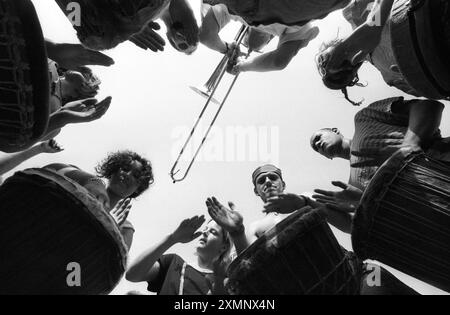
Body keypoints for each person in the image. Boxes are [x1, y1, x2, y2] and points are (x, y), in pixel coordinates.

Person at [207, 164, 418, 295]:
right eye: (261, 180)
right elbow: (250, 269)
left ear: (283, 183)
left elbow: (351, 227)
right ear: (256, 191)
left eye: (273, 177)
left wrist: (304, 202)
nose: (268, 181)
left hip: (360, 274)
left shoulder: (306, 199)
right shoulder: (253, 228)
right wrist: (236, 232)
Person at [310, 97, 446, 192]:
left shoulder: (364, 118)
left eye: (318, 137)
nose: (318, 144)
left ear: (335, 131)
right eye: (316, 148)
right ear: (328, 157)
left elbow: (427, 106)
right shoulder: (353, 186)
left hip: (442, 157)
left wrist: (408, 147)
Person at [45, 150, 154, 250]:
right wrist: (93, 181)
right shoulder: (82, 186)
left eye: (136, 175)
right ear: (113, 170)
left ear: (138, 188)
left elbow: (111, 267)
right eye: (125, 168)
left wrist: (109, 229)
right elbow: (50, 169)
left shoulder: (125, 229)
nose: (127, 175)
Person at [126, 216, 233, 295]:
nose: (205, 232)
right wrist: (172, 238)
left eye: (213, 231)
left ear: (224, 246)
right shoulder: (173, 263)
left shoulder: (227, 283)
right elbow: (132, 274)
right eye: (205, 229)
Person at [200, 3, 320, 73]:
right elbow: (279, 62)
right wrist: (242, 66)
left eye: (246, 44)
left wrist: (226, 50)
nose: (250, 47)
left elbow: (206, 37)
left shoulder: (234, 9)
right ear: (271, 38)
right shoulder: (295, 27)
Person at [54, 0, 198, 53]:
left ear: (170, 38)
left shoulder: (146, 16)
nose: (187, 40)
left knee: (97, 36)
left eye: (183, 46)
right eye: (193, 40)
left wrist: (121, 28)